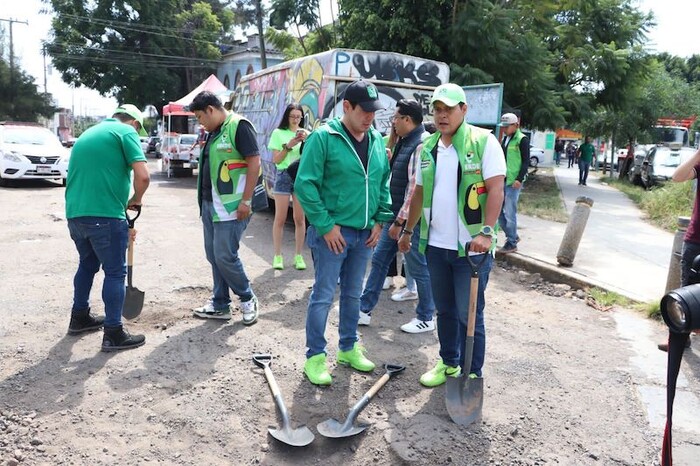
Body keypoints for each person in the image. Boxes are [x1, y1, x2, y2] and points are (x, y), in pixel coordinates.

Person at [398, 83, 505, 387]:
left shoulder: (483, 142)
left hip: (472, 248)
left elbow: (496, 189)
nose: (443, 115)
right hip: (435, 245)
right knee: (443, 310)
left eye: (449, 109)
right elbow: (418, 191)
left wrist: (487, 232)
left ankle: (472, 372)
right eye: (438, 109)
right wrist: (408, 229)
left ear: (464, 110)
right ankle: (448, 363)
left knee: (469, 313)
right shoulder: (429, 146)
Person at [295, 79, 394, 386]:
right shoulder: (324, 137)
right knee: (324, 295)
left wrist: (380, 220)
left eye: (373, 111)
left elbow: (382, 183)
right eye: (364, 110)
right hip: (333, 235)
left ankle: (349, 348)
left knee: (353, 294)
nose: (370, 117)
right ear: (347, 107)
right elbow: (305, 184)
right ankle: (315, 358)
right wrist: (325, 225)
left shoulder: (377, 139)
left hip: (365, 234)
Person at [65, 104, 151, 351]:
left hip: (75, 215)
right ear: (134, 123)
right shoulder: (126, 132)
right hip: (105, 216)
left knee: (88, 265)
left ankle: (79, 317)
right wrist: (136, 199)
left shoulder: (89, 133)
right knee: (115, 273)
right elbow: (143, 176)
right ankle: (113, 332)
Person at [358, 99, 437, 333]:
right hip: (397, 218)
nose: (393, 123)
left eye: (395, 118)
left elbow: (415, 190)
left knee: (418, 267)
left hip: (410, 220)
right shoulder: (405, 142)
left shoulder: (420, 144)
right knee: (380, 261)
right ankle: (363, 310)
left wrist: (401, 223)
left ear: (407, 120)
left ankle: (426, 317)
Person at [189, 91, 260, 325]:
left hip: (233, 206)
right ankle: (220, 303)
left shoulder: (239, 126)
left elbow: (254, 162)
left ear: (211, 109)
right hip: (210, 204)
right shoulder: (213, 132)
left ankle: (248, 298)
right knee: (214, 255)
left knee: (225, 255)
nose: (200, 122)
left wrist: (246, 201)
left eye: (200, 117)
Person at [657, 147, 700, 351]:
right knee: (685, 292)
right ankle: (679, 339)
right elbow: (678, 177)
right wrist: (698, 155)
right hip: (696, 237)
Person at [268, 103, 308, 271]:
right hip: (284, 174)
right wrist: (290, 144)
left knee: (300, 218)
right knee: (281, 218)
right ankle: (278, 255)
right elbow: (276, 159)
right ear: (287, 116)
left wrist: (307, 141)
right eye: (293, 116)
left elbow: (311, 156)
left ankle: (298, 255)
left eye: (299, 117)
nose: (295, 120)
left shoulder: (307, 134)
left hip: (300, 175)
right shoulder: (278, 133)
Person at [497, 112, 529, 254]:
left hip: (513, 182)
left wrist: (519, 179)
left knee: (510, 213)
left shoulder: (522, 139)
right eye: (503, 127)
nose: (504, 129)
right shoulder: (506, 139)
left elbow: (526, 161)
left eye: (506, 126)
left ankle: (511, 243)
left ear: (516, 125)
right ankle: (513, 236)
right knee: (498, 213)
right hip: (504, 180)